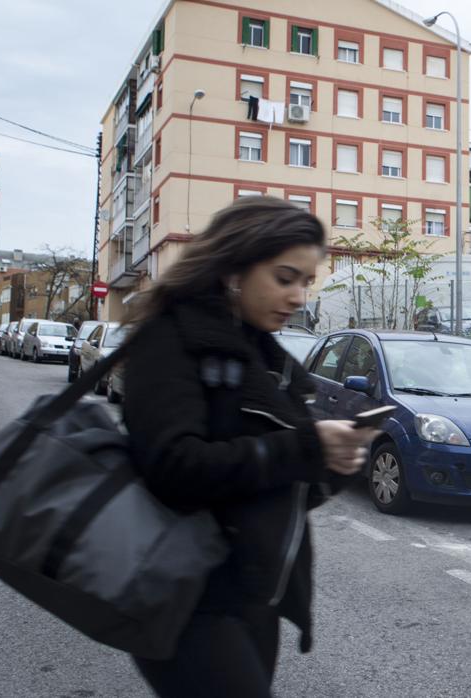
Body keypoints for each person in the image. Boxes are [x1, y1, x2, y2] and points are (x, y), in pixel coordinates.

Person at [121, 196, 376, 697]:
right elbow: (173, 468)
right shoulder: (170, 339)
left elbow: (284, 487)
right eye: (285, 278)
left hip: (252, 593)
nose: (299, 297)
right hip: (182, 593)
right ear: (234, 269)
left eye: (306, 282)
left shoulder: (268, 359)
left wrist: (336, 462)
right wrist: (304, 447)